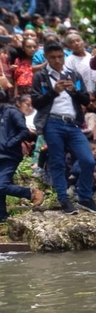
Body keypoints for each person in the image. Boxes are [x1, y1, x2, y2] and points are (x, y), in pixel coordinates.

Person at [32, 41, 96, 215]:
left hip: (73, 123)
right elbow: (36, 103)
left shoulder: (73, 75)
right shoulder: (41, 76)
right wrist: (54, 91)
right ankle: (63, 199)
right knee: (57, 162)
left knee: (88, 159)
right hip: (52, 122)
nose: (57, 60)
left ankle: (84, 197)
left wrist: (74, 91)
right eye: (53, 57)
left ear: (64, 56)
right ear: (46, 57)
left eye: (60, 57)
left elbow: (86, 100)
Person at [0, 90, 42, 222]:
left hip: (9, 155)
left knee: (1, 186)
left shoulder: (11, 112)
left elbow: (24, 131)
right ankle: (2, 217)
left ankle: (30, 193)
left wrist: (9, 144)